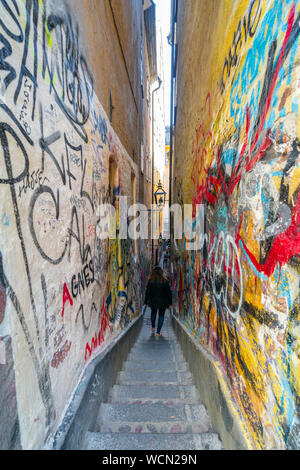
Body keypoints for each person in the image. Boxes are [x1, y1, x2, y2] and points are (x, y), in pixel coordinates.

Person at [144, 266, 172, 336]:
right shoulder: (165, 281)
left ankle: (153, 327)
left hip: (153, 301)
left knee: (153, 313)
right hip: (163, 302)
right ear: (161, 273)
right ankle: (158, 332)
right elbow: (169, 293)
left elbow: (147, 292)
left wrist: (145, 301)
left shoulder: (150, 281)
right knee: (161, 315)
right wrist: (170, 302)